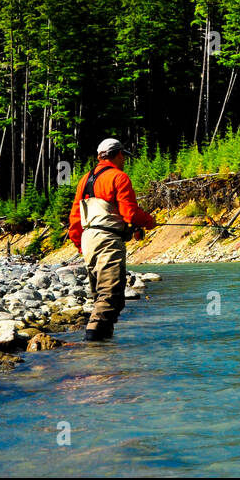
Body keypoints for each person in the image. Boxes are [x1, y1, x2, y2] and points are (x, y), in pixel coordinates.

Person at [68, 138, 157, 341]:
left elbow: (75, 217)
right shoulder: (119, 177)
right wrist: (149, 221)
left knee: (100, 295)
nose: (124, 159)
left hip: (87, 239)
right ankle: (93, 345)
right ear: (118, 155)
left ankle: (105, 348)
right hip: (107, 239)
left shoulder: (84, 180)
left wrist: (80, 245)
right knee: (111, 296)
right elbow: (131, 214)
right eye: (123, 155)